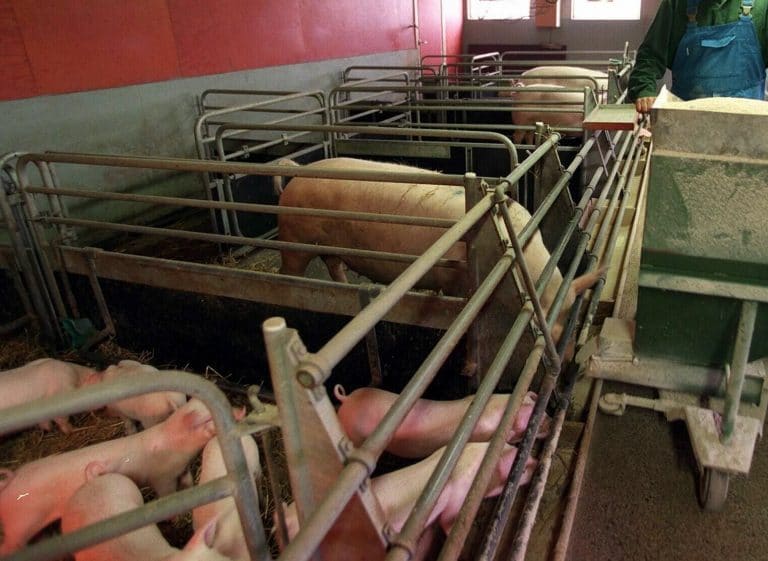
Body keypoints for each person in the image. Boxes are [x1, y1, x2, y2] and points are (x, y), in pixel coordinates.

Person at [628, 0, 768, 112]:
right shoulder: (676, 4)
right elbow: (651, 55)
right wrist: (643, 90)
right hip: (686, 121)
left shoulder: (763, 5)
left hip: (748, 124)